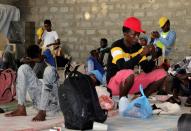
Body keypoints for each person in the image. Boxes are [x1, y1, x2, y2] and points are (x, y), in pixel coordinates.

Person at [106, 16, 167, 98]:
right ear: (125, 34)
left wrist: (153, 56)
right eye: (134, 35)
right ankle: (122, 101)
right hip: (114, 85)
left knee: (161, 73)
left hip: (129, 85)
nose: (137, 38)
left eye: (138, 35)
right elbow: (122, 67)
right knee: (129, 73)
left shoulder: (137, 47)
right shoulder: (116, 46)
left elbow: (147, 69)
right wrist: (141, 54)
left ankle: (142, 98)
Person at [5, 45, 59, 121]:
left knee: (49, 70)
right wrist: (29, 61)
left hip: (53, 103)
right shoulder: (36, 60)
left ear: (41, 51)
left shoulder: (47, 53)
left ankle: (42, 111)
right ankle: (21, 108)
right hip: (38, 103)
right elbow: (38, 60)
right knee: (23, 68)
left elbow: (42, 58)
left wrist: (32, 60)